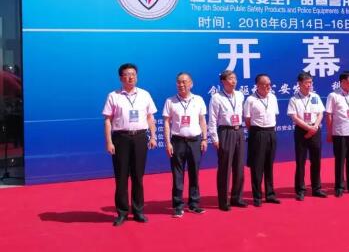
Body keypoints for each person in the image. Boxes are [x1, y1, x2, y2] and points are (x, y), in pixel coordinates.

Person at [102, 63, 157, 226]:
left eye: (133, 74)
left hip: (140, 137)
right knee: (121, 177)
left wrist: (153, 136)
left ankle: (138, 211)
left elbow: (150, 117)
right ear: (121, 78)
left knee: (138, 177)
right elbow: (107, 120)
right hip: (121, 139)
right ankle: (122, 212)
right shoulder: (114, 96)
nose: (130, 77)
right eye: (127, 74)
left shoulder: (145, 94)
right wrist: (109, 141)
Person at [162, 72, 208, 218]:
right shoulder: (170, 101)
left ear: (191, 84)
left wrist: (205, 139)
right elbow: (166, 123)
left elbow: (202, 120)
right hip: (178, 141)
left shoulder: (198, 99)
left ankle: (194, 204)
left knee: (194, 173)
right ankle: (178, 206)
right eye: (179, 82)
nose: (181, 84)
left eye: (184, 81)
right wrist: (168, 142)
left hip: (195, 141)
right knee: (177, 175)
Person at [208, 70, 247, 211]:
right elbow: (212, 119)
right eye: (230, 78)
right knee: (225, 168)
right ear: (223, 82)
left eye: (235, 78)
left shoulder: (240, 95)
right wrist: (214, 138)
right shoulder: (216, 97)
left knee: (239, 167)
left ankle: (237, 198)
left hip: (239, 131)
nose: (234, 81)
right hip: (225, 132)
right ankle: (224, 201)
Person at [287, 72, 327, 200]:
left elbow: (320, 113)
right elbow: (294, 117)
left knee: (316, 161)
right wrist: (308, 128)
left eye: (310, 82)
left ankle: (316, 188)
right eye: (306, 83)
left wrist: (315, 126)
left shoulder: (315, 96)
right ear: (299, 84)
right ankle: (300, 190)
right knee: (301, 162)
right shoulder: (294, 99)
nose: (309, 85)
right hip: (301, 131)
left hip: (315, 130)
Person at [326, 71, 349, 197]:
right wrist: (330, 132)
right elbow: (329, 115)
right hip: (340, 132)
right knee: (340, 160)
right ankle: (339, 186)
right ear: (342, 82)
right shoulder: (333, 95)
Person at [244, 74, 280, 207]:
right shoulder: (250, 100)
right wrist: (256, 132)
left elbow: (274, 115)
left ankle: (270, 194)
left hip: (271, 132)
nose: (269, 86)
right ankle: (257, 196)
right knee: (257, 166)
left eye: (270, 84)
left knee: (269, 165)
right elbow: (247, 120)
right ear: (258, 85)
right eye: (266, 84)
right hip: (258, 133)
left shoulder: (273, 97)